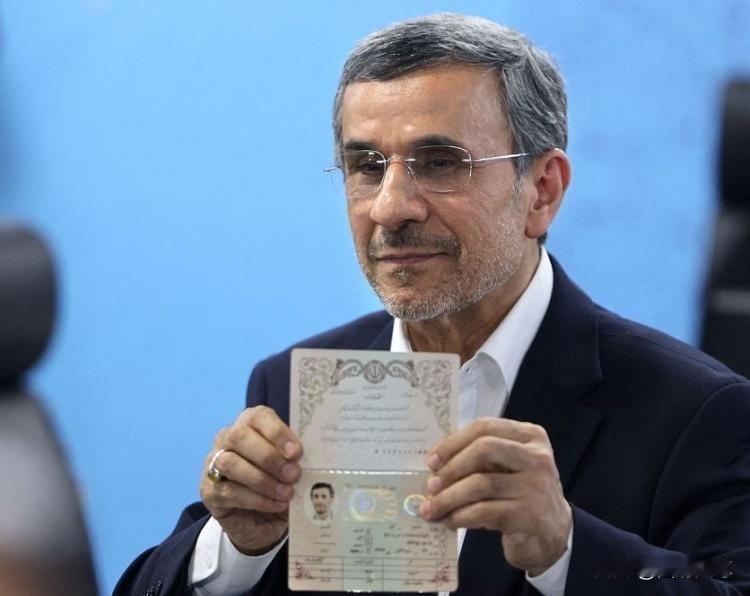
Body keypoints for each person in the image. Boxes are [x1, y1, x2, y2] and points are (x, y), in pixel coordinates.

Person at [115, 13, 750, 596]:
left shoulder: (697, 413)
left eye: (440, 162)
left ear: (542, 191)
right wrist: (236, 548)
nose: (390, 207)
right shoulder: (291, 385)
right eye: (367, 166)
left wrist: (565, 548)